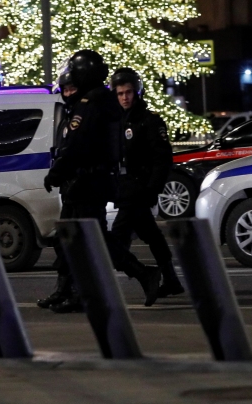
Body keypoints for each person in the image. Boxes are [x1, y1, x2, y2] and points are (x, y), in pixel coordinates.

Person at [41, 50, 160, 313]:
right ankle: (70, 290)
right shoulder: (98, 101)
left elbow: (76, 144)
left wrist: (56, 173)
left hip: (88, 181)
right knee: (69, 238)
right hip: (86, 181)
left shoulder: (92, 103)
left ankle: (141, 274)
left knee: (92, 239)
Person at [109, 67, 184, 299]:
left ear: (137, 92)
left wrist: (153, 189)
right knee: (151, 234)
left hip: (139, 190)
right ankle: (171, 280)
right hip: (126, 189)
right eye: (120, 93)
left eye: (128, 92)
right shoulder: (118, 121)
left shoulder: (149, 121)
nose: (124, 97)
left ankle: (143, 275)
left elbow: (163, 159)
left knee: (115, 239)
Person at [36, 71, 79, 309]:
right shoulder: (67, 117)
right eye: (66, 89)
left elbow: (72, 153)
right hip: (69, 189)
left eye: (72, 88)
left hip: (80, 188)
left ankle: (75, 293)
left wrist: (55, 175)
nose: (69, 93)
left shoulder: (79, 117)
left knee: (76, 243)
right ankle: (62, 290)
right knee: (64, 241)